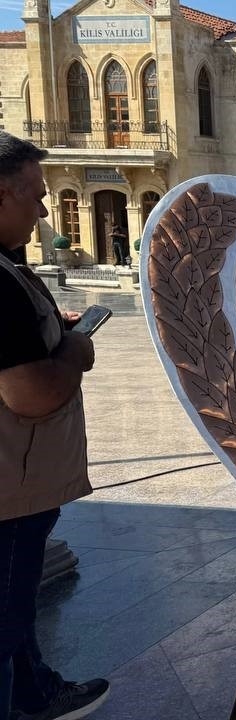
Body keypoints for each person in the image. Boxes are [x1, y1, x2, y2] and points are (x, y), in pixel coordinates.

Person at [0, 132, 110, 719]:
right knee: (6, 614)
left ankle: (34, 692)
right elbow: (30, 394)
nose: (44, 210)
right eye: (35, 196)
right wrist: (72, 351)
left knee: (14, 615)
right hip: (10, 491)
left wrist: (47, 329)